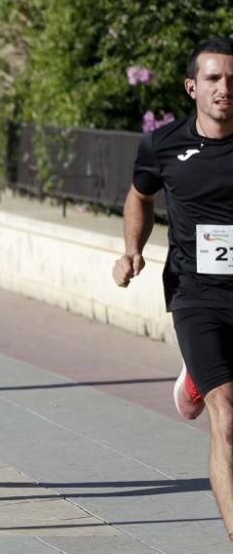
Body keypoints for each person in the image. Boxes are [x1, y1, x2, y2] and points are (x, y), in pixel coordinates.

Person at [113, 36, 233, 541]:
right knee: (226, 417)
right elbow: (138, 196)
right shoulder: (162, 144)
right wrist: (133, 249)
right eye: (213, 79)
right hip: (195, 293)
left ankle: (192, 380)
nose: (224, 89)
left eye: (232, 79)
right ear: (192, 87)